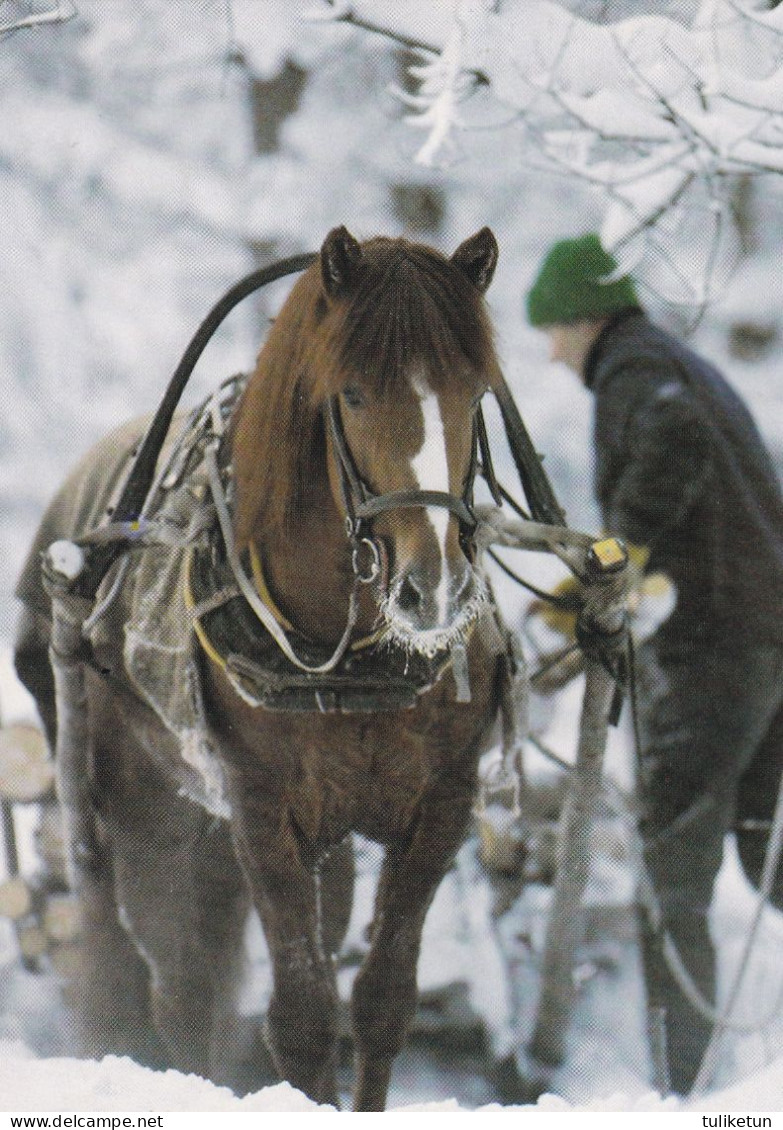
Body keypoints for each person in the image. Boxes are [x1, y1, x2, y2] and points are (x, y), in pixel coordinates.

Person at [525, 233, 783, 1094]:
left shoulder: (638, 373)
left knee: (667, 877)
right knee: (767, 858)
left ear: (581, 318)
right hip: (763, 641)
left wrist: (609, 565)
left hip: (711, 653)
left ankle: (692, 1093)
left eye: (553, 333)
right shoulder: (677, 365)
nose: (551, 355)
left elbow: (664, 450)